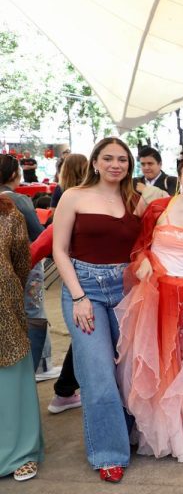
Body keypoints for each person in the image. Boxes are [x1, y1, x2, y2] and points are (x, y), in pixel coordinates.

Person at [115, 151, 183, 462]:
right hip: (156, 294)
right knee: (159, 359)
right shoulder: (158, 208)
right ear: (179, 176)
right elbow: (140, 246)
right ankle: (163, 430)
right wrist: (145, 262)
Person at [52, 137, 144, 482]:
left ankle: (130, 433)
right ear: (95, 161)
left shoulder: (135, 198)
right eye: (108, 158)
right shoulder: (74, 196)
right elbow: (59, 250)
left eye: (122, 159)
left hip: (127, 289)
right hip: (84, 289)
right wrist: (78, 297)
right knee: (99, 374)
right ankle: (109, 452)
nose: (115, 164)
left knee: (132, 370)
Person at [0, 195, 44, 482]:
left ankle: (21, 452)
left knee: (12, 378)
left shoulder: (8, 213)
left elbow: (21, 262)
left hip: (4, 307)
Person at [47, 153, 89, 414]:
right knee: (85, 338)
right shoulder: (72, 196)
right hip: (81, 272)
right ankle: (64, 389)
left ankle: (64, 389)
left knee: (83, 337)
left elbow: (52, 225)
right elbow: (57, 242)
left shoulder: (61, 192)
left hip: (74, 270)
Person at [0, 155, 48, 376]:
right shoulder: (18, 200)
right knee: (34, 315)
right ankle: (35, 368)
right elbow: (39, 235)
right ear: (13, 174)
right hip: (25, 266)